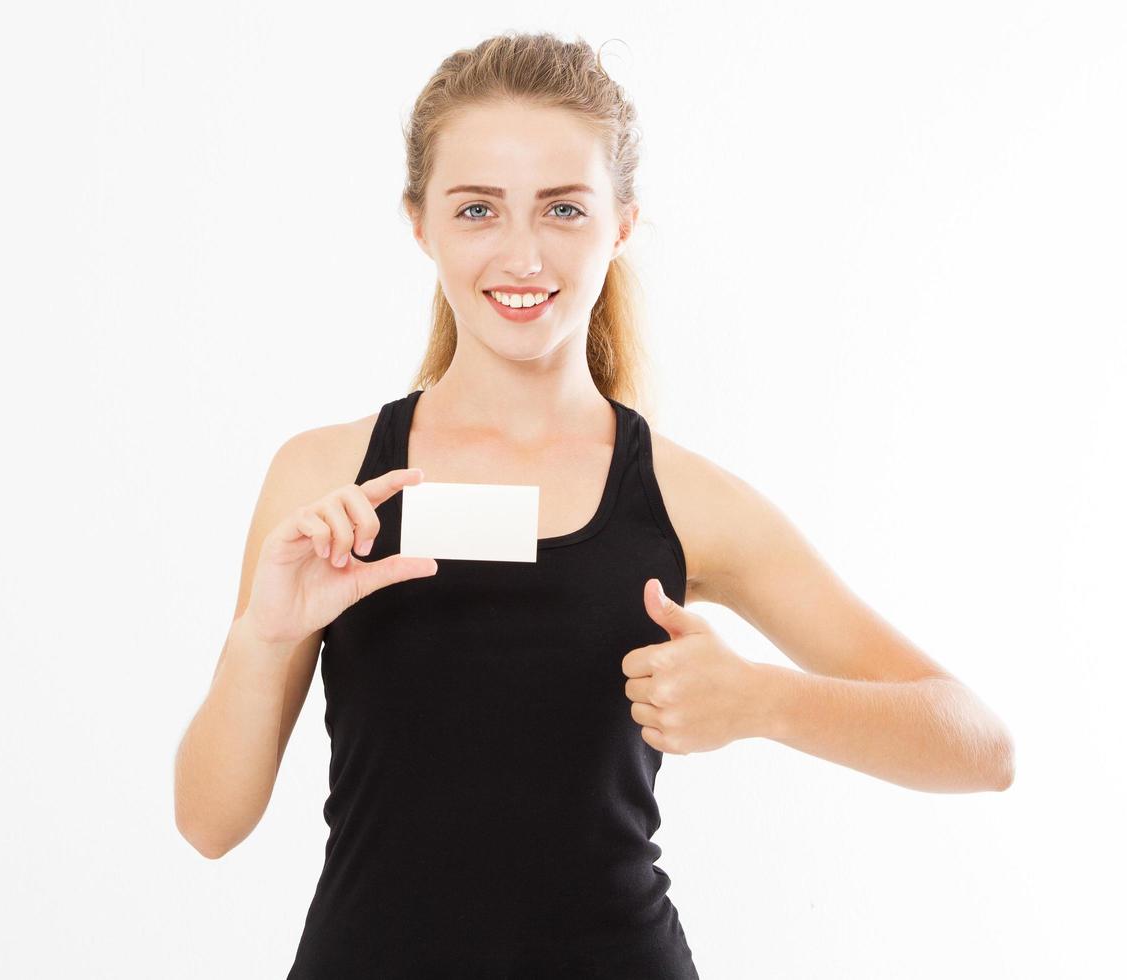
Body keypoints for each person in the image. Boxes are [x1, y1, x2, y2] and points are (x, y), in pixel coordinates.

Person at [174, 31, 1015, 979]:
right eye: (478, 208)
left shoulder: (688, 501)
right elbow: (208, 825)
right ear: (421, 223)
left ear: (619, 224)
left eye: (564, 209)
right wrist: (261, 638)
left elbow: (979, 745)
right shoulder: (322, 480)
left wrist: (766, 702)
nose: (521, 253)